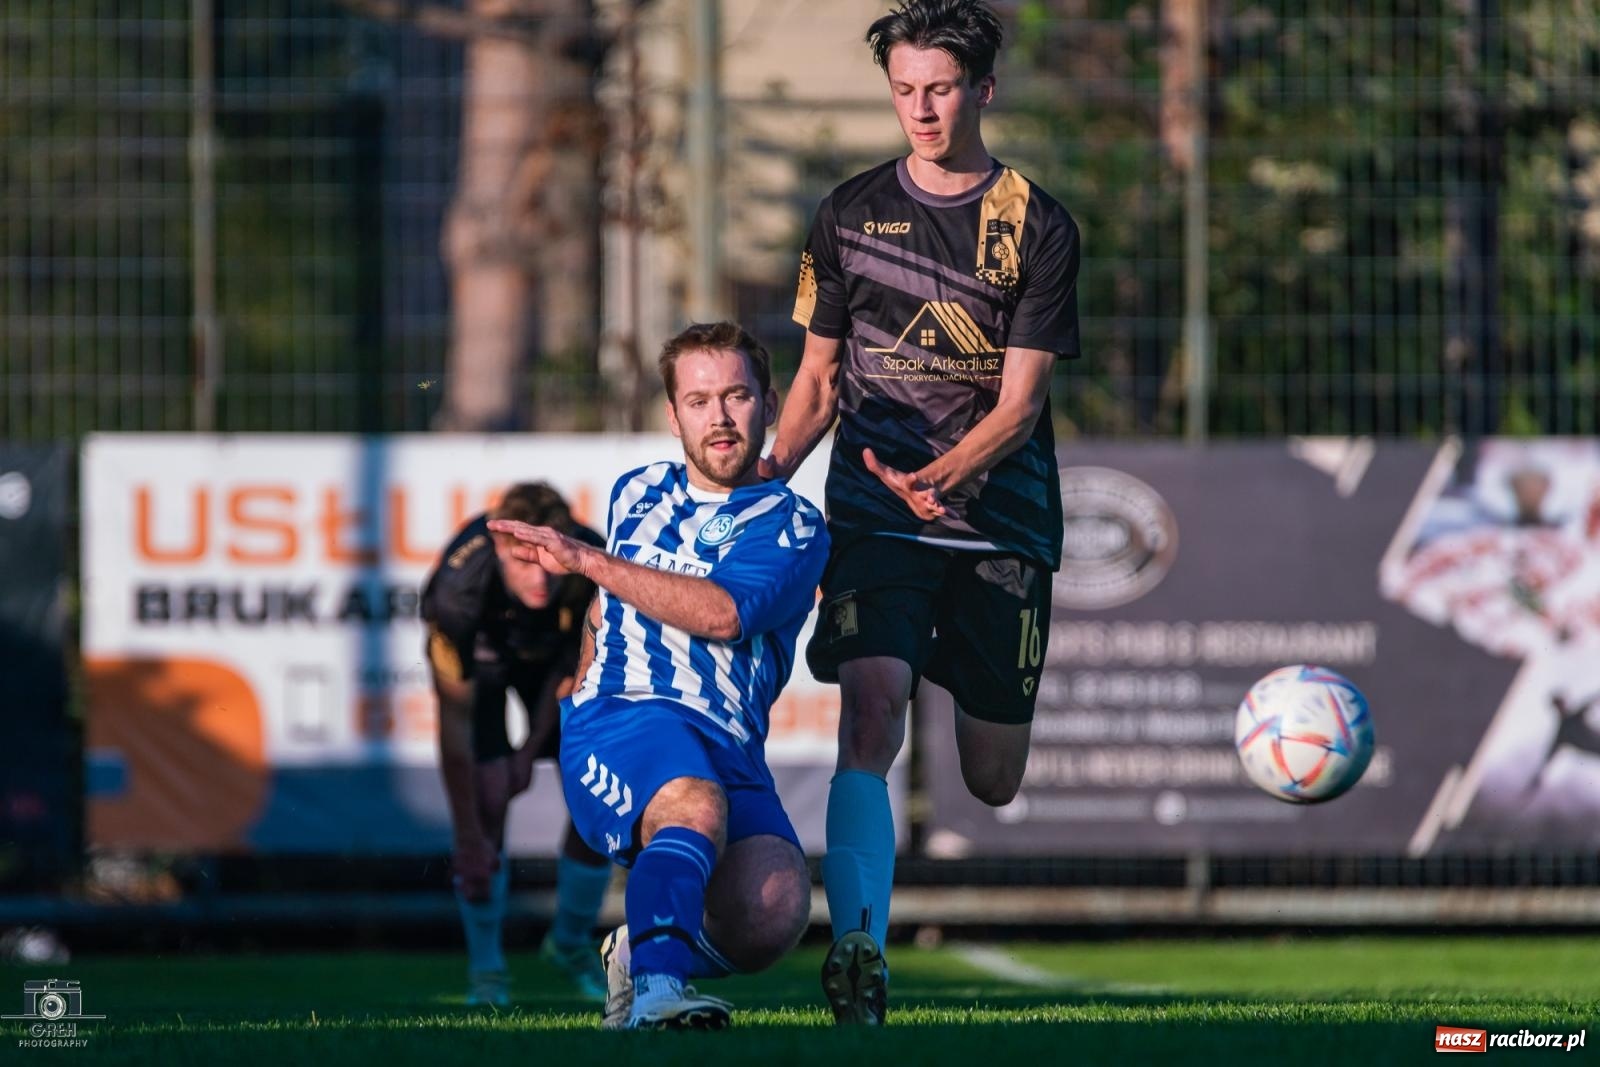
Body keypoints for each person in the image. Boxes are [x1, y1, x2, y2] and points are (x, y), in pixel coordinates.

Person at [760, 0, 1081, 1025]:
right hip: (875, 513)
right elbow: (814, 383)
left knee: (990, 779)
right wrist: (755, 488)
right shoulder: (847, 213)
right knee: (870, 708)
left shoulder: (1035, 223)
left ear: (982, 90)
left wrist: (944, 473)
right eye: (904, 90)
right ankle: (859, 944)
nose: (921, 109)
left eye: (939, 88)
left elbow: (1020, 402)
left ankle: (942, 649)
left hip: (998, 525)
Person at [489, 322, 828, 1031]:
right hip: (623, 713)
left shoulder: (793, 526)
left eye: (737, 396)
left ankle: (642, 953)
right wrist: (585, 678)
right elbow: (611, 607)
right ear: (673, 416)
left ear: (767, 405)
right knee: (691, 802)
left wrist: (586, 563)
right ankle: (658, 995)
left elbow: (724, 613)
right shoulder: (637, 490)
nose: (721, 416)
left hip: (726, 742)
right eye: (699, 401)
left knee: (772, 909)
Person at [421, 484, 612, 1006]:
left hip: (558, 669)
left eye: (548, 560)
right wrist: (466, 837)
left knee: (605, 789)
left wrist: (527, 755)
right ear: (499, 548)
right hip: (487, 667)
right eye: (523, 563)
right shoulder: (459, 592)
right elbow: (453, 718)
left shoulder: (589, 564)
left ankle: (570, 943)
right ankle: (487, 974)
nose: (541, 577)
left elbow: (579, 676)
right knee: (485, 796)